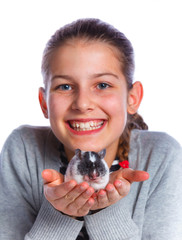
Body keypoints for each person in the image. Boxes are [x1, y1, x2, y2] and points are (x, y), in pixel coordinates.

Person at [0, 18, 182, 240]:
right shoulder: (23, 150)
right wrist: (59, 215)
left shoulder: (162, 157)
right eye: (65, 86)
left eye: (103, 85)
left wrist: (105, 210)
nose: (83, 103)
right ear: (44, 103)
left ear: (132, 98)